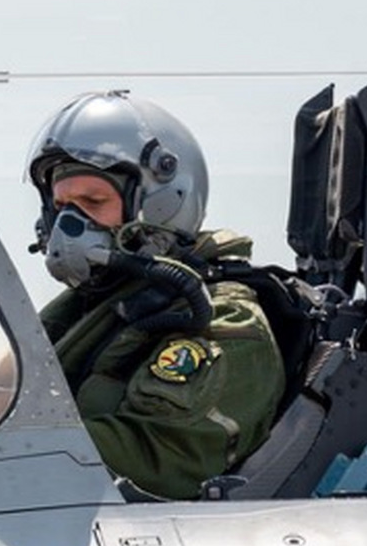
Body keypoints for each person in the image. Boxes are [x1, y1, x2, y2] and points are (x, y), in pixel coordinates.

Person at [26, 91, 284, 499]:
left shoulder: (221, 321)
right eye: (61, 205)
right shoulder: (85, 307)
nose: (68, 224)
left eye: (93, 201)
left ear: (160, 206)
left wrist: (4, 447)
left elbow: (160, 455)